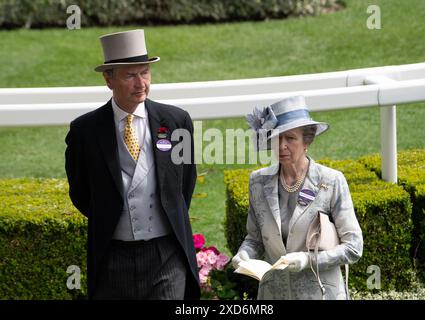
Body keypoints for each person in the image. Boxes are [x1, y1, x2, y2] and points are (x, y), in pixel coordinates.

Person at [65, 29, 200, 300]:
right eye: (130, 75)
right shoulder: (85, 131)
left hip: (167, 255)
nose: (141, 83)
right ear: (108, 79)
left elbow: (185, 184)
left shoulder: (176, 121)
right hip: (112, 257)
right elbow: (80, 193)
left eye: (145, 73)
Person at [232, 95, 363, 300]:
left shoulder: (331, 181)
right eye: (276, 138)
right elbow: (255, 238)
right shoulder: (258, 182)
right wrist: (244, 254)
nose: (282, 145)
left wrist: (307, 259)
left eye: (290, 138)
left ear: (306, 141)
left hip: (321, 294)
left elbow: (354, 247)